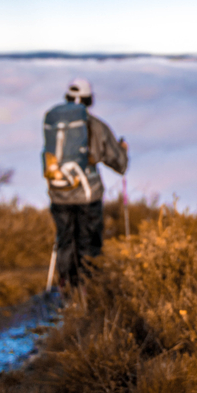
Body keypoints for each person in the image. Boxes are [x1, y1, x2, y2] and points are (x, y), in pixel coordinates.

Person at [42, 77, 128, 288]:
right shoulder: (96, 126)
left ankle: (65, 286)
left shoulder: (56, 125)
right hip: (88, 194)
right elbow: (119, 163)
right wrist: (123, 150)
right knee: (88, 242)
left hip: (59, 192)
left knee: (65, 239)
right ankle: (87, 289)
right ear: (89, 99)